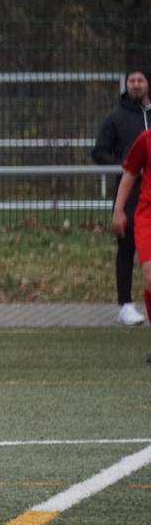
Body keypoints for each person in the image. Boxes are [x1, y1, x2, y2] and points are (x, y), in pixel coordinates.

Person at [93, 67, 151, 326]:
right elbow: (99, 152)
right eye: (132, 80)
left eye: (141, 80)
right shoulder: (116, 117)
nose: (136, 84)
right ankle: (125, 304)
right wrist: (127, 167)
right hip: (131, 196)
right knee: (126, 249)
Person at [112, 123, 151, 361]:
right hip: (147, 215)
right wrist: (119, 209)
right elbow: (130, 173)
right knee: (150, 277)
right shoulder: (146, 139)